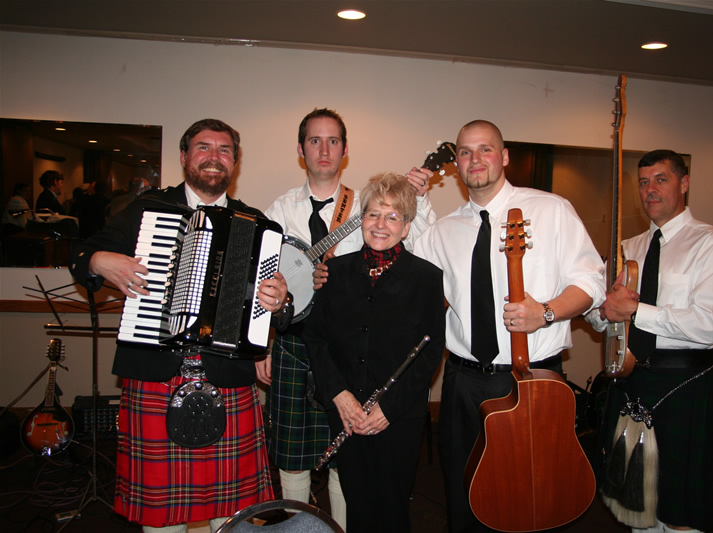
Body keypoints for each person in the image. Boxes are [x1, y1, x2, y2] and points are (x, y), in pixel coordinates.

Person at [70, 118, 290, 533]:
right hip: (156, 374)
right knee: (161, 516)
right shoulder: (147, 210)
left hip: (227, 378)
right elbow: (82, 256)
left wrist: (279, 303)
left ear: (235, 162)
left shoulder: (253, 223)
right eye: (204, 147)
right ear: (185, 156)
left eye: (224, 150)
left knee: (234, 516)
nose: (214, 157)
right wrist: (100, 261)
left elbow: (277, 309)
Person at [411, 120, 606, 533]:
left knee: (532, 499)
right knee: (464, 494)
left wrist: (547, 312)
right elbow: (408, 280)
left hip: (532, 379)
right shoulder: (443, 231)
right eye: (465, 152)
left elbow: (592, 282)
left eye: (485, 149)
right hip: (463, 383)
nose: (475, 159)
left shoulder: (552, 210)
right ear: (456, 165)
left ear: (504, 156)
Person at [263, 108, 436, 528]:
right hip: (295, 343)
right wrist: (261, 344)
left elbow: (422, 238)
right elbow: (262, 282)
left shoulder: (363, 204)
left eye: (333, 141)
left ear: (345, 150)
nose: (324, 149)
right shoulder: (280, 208)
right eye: (315, 140)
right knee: (292, 458)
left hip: (351, 355)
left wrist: (422, 197)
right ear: (301, 149)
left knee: (348, 466)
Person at [588, 150, 713, 533]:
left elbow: (708, 324)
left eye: (661, 179)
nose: (650, 190)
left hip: (686, 386)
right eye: (644, 182)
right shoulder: (628, 248)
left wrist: (635, 310)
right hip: (633, 382)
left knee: (681, 507)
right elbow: (601, 316)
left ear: (684, 184)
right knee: (635, 502)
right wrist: (605, 311)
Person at [303, 172, 445, 533]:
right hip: (346, 413)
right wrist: (340, 396)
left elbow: (430, 353)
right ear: (361, 219)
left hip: (397, 417)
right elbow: (317, 340)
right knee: (358, 505)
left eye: (393, 216)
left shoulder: (427, 278)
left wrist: (388, 410)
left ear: (407, 227)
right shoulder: (333, 272)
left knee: (392, 510)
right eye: (373, 214)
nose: (381, 225)